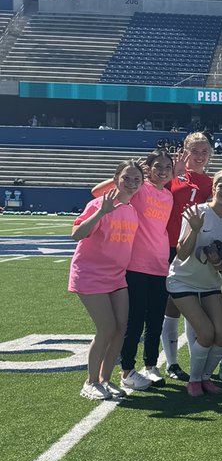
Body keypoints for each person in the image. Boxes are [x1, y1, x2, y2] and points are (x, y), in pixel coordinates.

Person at [91, 150, 175, 392]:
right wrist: (127, 174)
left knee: (156, 319)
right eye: (157, 166)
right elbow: (97, 192)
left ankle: (151, 365)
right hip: (135, 265)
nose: (162, 171)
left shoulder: (168, 196)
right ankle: (127, 369)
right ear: (147, 169)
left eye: (167, 167)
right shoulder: (139, 188)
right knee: (134, 320)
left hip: (160, 265)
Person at [68, 160, 144, 400]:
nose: (131, 184)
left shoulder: (131, 208)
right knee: (106, 328)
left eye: (136, 180)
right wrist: (101, 212)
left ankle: (105, 379)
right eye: (126, 179)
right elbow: (76, 234)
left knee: (121, 328)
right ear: (115, 179)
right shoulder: (99, 203)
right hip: (90, 275)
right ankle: (90, 382)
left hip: (117, 276)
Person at [166, 169, 222, 398]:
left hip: (209, 284)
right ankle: (194, 381)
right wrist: (195, 230)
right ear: (213, 188)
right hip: (183, 281)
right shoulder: (197, 212)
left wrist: (218, 262)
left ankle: (206, 378)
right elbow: (182, 254)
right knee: (206, 333)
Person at [161, 132, 213, 381]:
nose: (201, 155)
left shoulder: (212, 182)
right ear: (185, 150)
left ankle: (196, 364)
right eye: (196, 150)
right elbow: (158, 196)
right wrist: (172, 175)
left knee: (193, 306)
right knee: (169, 307)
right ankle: (171, 363)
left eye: (205, 151)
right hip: (167, 246)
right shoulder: (172, 175)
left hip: (193, 248)